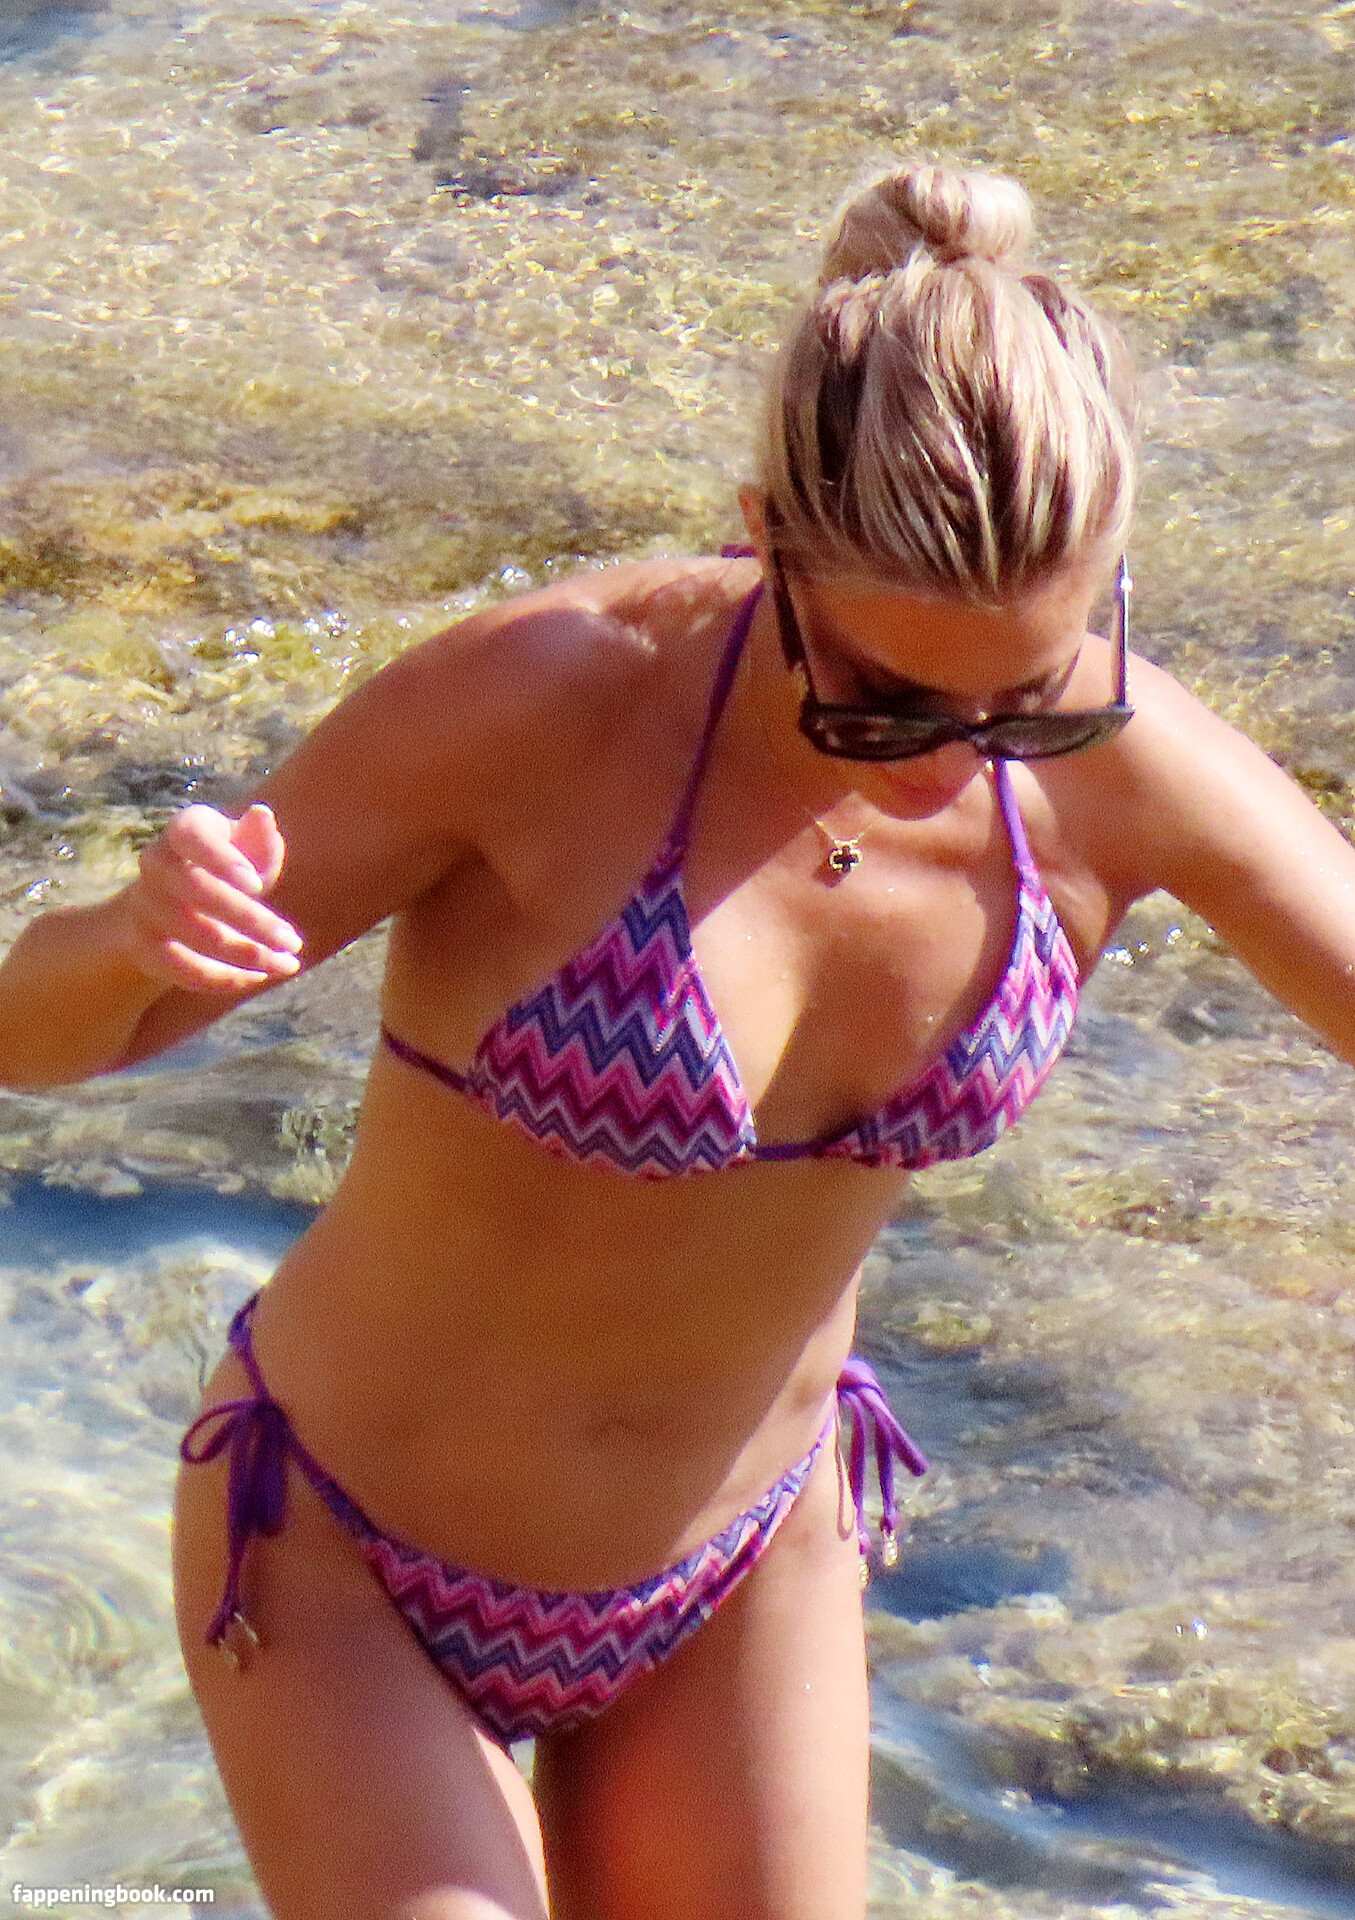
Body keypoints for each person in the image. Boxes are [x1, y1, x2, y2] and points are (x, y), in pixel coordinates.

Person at [1, 159, 1352, 1920]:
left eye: (1025, 699)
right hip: (341, 1552)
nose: (955, 758)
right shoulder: (543, 700)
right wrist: (131, 934)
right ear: (762, 538)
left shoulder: (1128, 763)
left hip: (742, 1569)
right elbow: (38, 1040)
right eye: (885, 701)